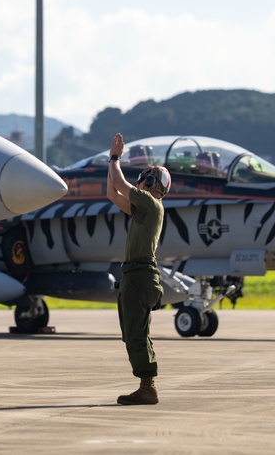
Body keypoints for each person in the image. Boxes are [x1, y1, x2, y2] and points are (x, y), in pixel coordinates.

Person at [106, 132, 172, 405]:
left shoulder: (151, 203)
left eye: (145, 177)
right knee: (133, 332)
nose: (140, 181)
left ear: (154, 182)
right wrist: (110, 164)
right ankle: (147, 385)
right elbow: (112, 193)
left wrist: (114, 159)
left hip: (140, 274)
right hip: (134, 274)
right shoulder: (144, 209)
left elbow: (120, 183)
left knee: (136, 333)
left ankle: (148, 387)